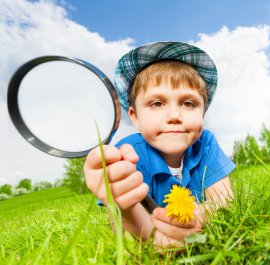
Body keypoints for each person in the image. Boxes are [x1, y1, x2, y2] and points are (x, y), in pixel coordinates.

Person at [84, 41, 235, 248]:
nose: (174, 115)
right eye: (157, 103)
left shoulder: (205, 143)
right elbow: (130, 231)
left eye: (188, 103)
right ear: (135, 117)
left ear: (203, 113)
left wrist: (203, 214)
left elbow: (225, 201)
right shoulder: (128, 155)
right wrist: (126, 210)